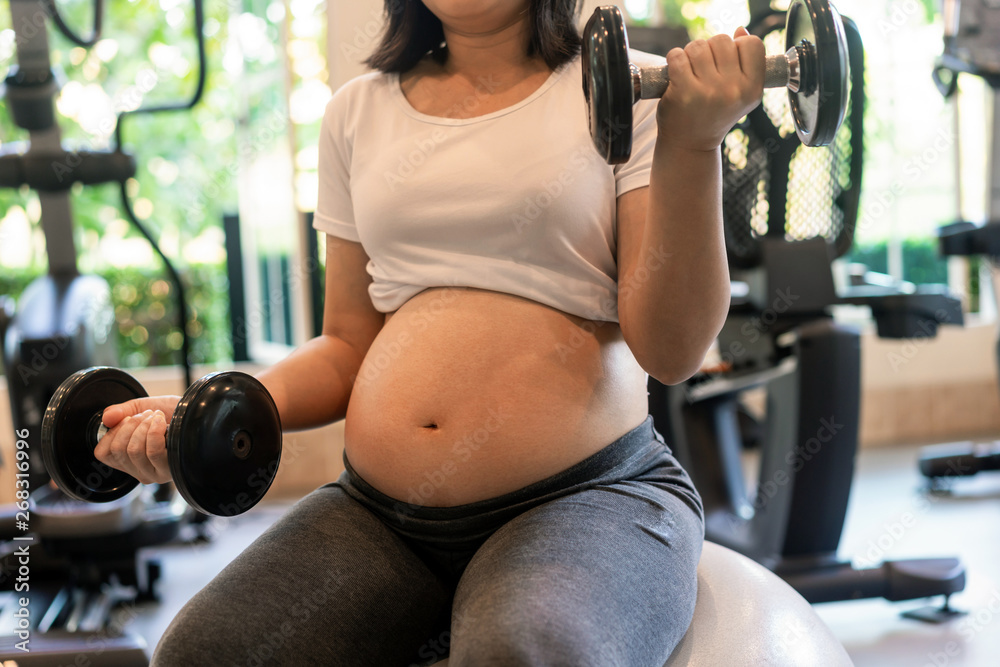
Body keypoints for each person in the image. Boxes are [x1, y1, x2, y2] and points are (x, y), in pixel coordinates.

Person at [96, 1, 764, 664]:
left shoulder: (634, 87)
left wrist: (693, 142)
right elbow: (346, 346)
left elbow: (672, 352)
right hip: (381, 517)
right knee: (204, 654)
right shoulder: (358, 113)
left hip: (589, 497)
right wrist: (208, 414)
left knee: (520, 656)